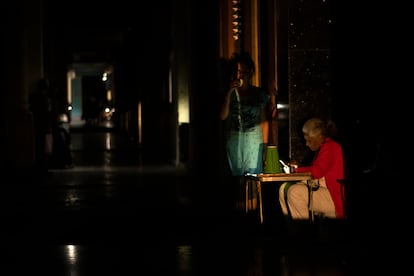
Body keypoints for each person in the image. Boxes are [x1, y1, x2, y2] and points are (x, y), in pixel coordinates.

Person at [220, 51, 272, 210]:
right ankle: (240, 212)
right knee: (237, 179)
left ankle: (253, 211)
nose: (239, 75)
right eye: (236, 72)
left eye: (242, 71)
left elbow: (264, 122)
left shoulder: (260, 94)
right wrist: (228, 94)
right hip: (235, 139)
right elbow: (222, 117)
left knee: (252, 177)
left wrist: (264, 146)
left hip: (254, 138)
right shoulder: (230, 93)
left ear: (250, 72)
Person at [279, 117, 345, 220]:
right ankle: (293, 228)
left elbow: (317, 172)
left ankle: (303, 231)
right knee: (283, 188)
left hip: (333, 197)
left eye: (309, 140)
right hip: (325, 191)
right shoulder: (324, 148)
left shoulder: (330, 147)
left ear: (318, 136)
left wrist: (295, 170)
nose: (306, 144)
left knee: (295, 192)